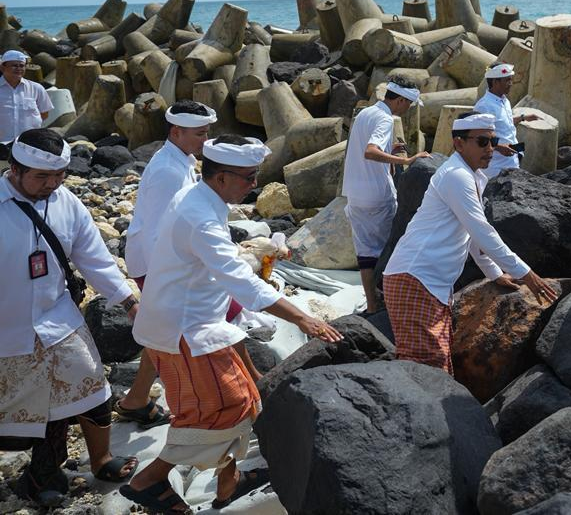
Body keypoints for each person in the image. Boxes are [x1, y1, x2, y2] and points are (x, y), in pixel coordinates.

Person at [126, 135, 342, 514]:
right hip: (184, 330)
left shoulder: (202, 198)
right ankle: (150, 479)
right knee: (227, 407)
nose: (254, 184)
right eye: (248, 177)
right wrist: (303, 318)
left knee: (238, 400)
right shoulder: (199, 216)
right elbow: (239, 280)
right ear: (221, 177)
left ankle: (228, 481)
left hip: (196, 321)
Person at [0, 128, 139, 508]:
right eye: (42, 177)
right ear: (14, 170)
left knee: (91, 388)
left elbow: (95, 259)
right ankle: (40, 477)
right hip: (8, 329)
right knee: (25, 413)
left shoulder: (67, 203)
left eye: (59, 176)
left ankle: (101, 460)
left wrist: (129, 302)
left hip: (58, 320)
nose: (52, 184)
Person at [383, 113, 559, 373]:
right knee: (425, 369)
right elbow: (482, 231)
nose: (490, 149)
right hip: (415, 278)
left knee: (434, 368)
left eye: (493, 141)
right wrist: (526, 274)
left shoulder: (471, 176)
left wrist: (495, 274)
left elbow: (472, 234)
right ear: (459, 143)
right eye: (482, 142)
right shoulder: (456, 176)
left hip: (429, 283)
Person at [116, 100, 217, 430]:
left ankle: (137, 398)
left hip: (163, 261)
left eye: (206, 133)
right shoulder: (168, 172)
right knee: (177, 331)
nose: (206, 140)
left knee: (164, 331)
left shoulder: (180, 159)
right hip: (156, 262)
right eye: (200, 134)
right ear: (176, 132)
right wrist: (171, 275)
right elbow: (158, 231)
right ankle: (196, 404)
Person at [341, 78, 430, 313]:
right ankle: (392, 304)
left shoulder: (365, 113)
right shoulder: (385, 118)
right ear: (399, 100)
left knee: (365, 254)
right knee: (390, 251)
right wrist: (405, 160)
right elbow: (371, 151)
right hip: (377, 195)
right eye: (409, 103)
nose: (408, 108)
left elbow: (365, 149)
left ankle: (372, 306)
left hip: (355, 195)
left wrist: (389, 151)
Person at [472, 62, 538, 183]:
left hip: (512, 161)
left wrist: (522, 118)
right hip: (495, 167)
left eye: (511, 80)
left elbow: (503, 123)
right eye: (507, 80)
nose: (511, 83)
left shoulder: (504, 100)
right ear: (495, 82)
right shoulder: (484, 106)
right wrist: (499, 147)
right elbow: (477, 135)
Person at [0, 50, 52, 161]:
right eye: (14, 65)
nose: (19, 68)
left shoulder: (36, 88)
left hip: (29, 145)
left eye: (22, 66)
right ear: (2, 67)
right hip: (2, 145)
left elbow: (44, 114)